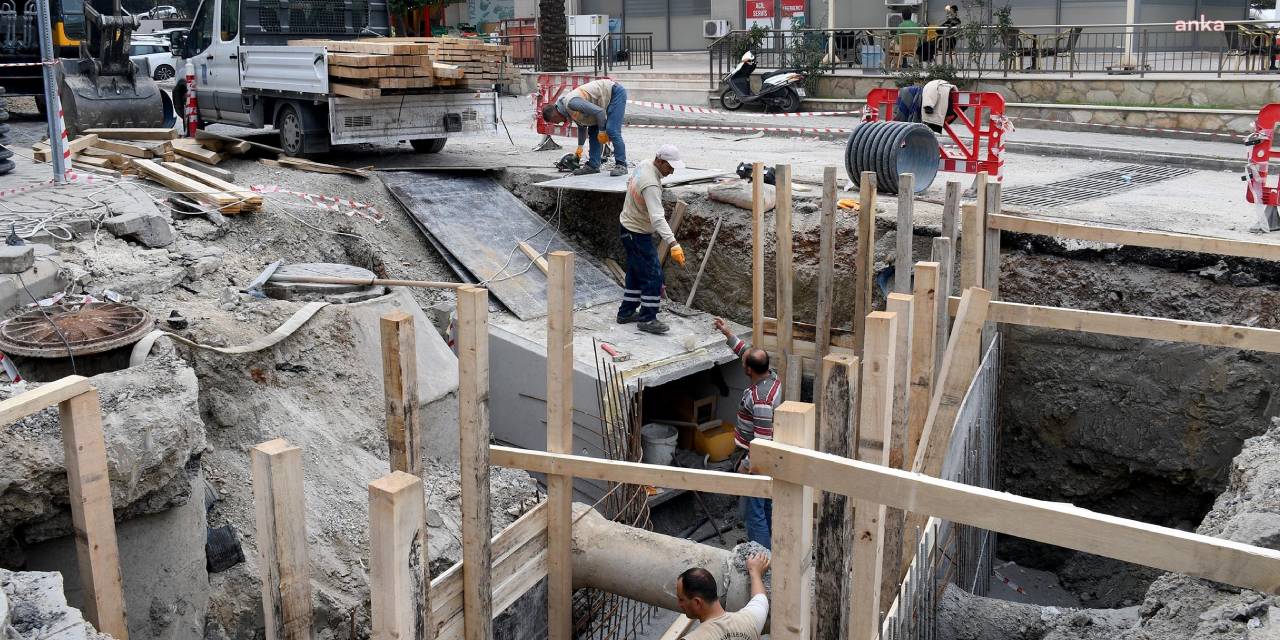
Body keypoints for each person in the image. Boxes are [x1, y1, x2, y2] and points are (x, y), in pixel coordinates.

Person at [713, 316, 782, 549]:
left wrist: (748, 463)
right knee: (766, 505)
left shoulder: (760, 400)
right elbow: (747, 353)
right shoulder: (771, 376)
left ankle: (760, 556)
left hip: (759, 459)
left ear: (749, 370)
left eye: (744, 364)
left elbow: (762, 439)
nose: (742, 363)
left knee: (756, 510)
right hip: (766, 457)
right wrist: (728, 333)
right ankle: (772, 548)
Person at [617, 145, 686, 335]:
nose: (671, 171)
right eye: (670, 167)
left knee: (636, 272)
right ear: (661, 161)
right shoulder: (651, 184)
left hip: (627, 226)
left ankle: (626, 312)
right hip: (637, 233)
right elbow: (657, 218)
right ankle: (648, 318)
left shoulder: (644, 164)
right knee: (653, 275)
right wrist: (673, 243)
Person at [541, 78, 630, 177]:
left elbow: (600, 112)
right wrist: (579, 149)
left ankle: (621, 165)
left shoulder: (571, 103)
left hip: (614, 93)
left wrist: (602, 131)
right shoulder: (567, 111)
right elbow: (582, 127)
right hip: (600, 103)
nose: (559, 123)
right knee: (593, 132)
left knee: (612, 130)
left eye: (555, 121)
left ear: (554, 115)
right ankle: (593, 165)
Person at [675, 553, 771, 640]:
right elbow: (761, 598)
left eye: (681, 599)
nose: (679, 604)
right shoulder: (750, 621)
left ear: (697, 602)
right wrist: (755, 572)